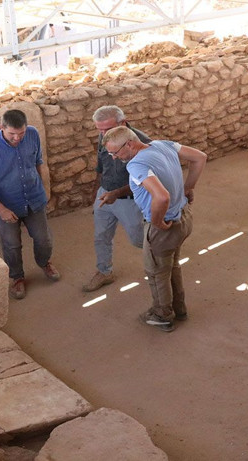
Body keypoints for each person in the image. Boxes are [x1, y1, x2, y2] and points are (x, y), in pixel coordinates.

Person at [102, 126, 207, 332]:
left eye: (115, 152)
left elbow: (161, 196)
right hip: (183, 218)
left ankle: (162, 315)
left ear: (130, 144)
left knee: (157, 272)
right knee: (172, 265)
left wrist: (158, 222)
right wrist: (188, 187)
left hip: (165, 226)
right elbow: (200, 157)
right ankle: (179, 308)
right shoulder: (163, 145)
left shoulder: (136, 165)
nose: (114, 157)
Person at [0, 109, 60, 299]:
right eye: (12, 134)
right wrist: (1, 209)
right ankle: (17, 277)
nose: (17, 138)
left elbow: (38, 162)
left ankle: (44, 262)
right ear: (1, 128)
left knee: (43, 238)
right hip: (6, 204)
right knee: (11, 244)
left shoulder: (33, 134)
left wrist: (44, 189)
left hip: (34, 197)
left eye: (21, 133)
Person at [83, 106, 151, 292]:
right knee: (101, 235)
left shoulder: (142, 144)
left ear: (122, 123)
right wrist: (97, 192)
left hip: (129, 200)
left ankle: (160, 264)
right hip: (105, 194)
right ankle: (104, 271)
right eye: (99, 130)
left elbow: (147, 181)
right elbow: (101, 165)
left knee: (140, 239)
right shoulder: (105, 136)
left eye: (106, 129)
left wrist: (116, 194)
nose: (103, 134)